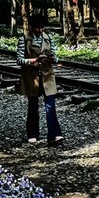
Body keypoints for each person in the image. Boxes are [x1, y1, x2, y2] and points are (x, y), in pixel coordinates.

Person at [16, 13, 63, 146]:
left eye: (42, 27)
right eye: (37, 27)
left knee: (51, 106)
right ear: (31, 27)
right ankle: (32, 134)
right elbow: (19, 60)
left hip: (47, 76)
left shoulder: (49, 38)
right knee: (33, 106)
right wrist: (34, 60)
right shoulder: (24, 39)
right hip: (32, 78)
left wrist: (53, 59)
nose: (40, 30)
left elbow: (56, 56)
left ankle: (54, 134)